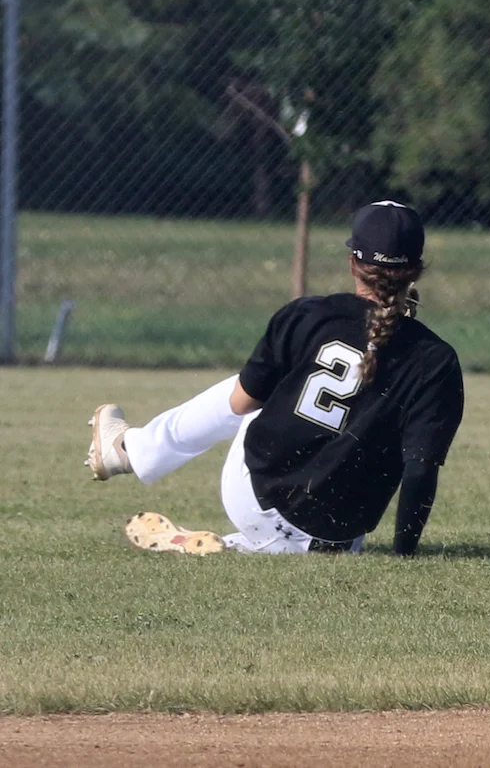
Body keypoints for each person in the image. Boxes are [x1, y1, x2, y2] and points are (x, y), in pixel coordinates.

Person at [85, 201, 465, 555]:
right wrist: (404, 553)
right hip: (339, 537)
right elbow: (419, 469)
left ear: (352, 263)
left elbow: (241, 403)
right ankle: (263, 544)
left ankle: (130, 451)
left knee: (256, 391)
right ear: (417, 271)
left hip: (255, 497)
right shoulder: (437, 360)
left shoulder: (308, 315)